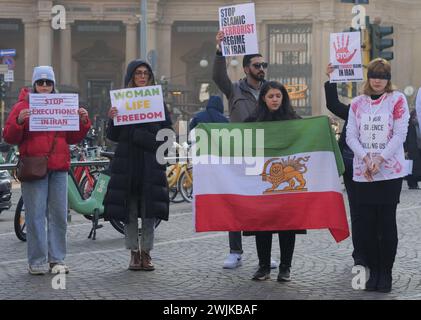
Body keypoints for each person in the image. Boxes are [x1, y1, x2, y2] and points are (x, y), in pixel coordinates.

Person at [3, 66, 91, 275]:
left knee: (59, 215)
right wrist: (19, 122)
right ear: (34, 84)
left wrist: (83, 122)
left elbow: (72, 138)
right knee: (34, 216)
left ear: (53, 85)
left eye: (48, 83)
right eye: (40, 82)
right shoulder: (22, 106)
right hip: (35, 167)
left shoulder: (63, 105)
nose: (44, 86)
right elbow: (9, 137)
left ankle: (57, 259)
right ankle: (37, 260)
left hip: (59, 168)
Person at [213, 30, 276, 269]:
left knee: (263, 204)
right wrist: (220, 51)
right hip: (240, 152)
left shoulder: (271, 91)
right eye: (257, 65)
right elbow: (218, 76)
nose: (262, 68)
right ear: (246, 68)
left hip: (265, 154)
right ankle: (235, 251)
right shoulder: (234, 90)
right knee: (236, 202)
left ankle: (265, 253)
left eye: (264, 65)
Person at [346, 58, 409, 293]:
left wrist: (380, 158)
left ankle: (386, 272)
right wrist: (365, 158)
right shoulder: (357, 103)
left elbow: (400, 133)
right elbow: (351, 135)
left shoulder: (397, 99)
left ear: (388, 79)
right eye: (374, 75)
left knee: (386, 223)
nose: (378, 80)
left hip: (389, 172)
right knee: (367, 226)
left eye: (382, 76)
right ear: (368, 77)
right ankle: (373, 270)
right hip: (364, 173)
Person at [103, 59, 173, 271]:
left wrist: (141, 137)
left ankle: (147, 253)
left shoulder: (157, 102)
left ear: (150, 77)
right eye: (138, 73)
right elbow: (113, 136)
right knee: (130, 210)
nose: (142, 76)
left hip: (151, 164)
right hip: (128, 164)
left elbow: (167, 134)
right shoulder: (122, 102)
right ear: (131, 77)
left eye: (146, 73)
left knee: (149, 211)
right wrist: (112, 119)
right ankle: (134, 253)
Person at [243, 81, 303, 282]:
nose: (275, 99)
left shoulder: (294, 121)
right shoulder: (252, 122)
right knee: (263, 224)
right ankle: (263, 266)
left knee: (288, 225)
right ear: (263, 99)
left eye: (278, 96)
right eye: (271, 96)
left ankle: (285, 267)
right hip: (262, 182)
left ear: (283, 98)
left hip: (286, 185)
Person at [324, 63, 364, 266]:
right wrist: (332, 78)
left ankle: (374, 250)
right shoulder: (353, 110)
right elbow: (332, 103)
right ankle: (360, 255)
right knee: (357, 212)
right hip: (351, 166)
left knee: (375, 213)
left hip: (377, 169)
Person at [404, 109, 421, 189]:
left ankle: (415, 183)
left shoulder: (419, 124)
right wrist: (405, 149)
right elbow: (405, 137)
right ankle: (411, 184)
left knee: (417, 167)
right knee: (410, 167)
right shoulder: (409, 124)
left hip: (418, 148)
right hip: (411, 148)